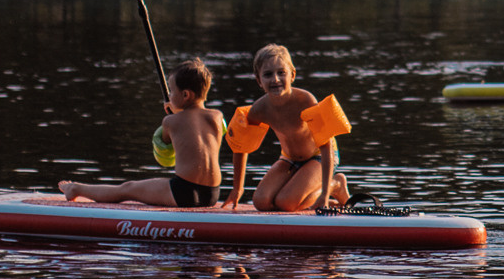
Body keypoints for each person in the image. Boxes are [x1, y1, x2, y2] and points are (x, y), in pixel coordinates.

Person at [60, 58, 229, 208]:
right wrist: (179, 112)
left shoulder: (170, 121)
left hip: (182, 192)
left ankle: (75, 188)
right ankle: (76, 188)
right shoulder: (217, 117)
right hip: (212, 193)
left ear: (185, 94)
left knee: (128, 188)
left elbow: (163, 155)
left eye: (171, 91)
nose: (169, 96)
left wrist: (174, 114)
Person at [229, 44, 351, 212]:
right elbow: (241, 146)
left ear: (292, 75)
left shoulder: (306, 101)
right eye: (268, 74)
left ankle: (335, 184)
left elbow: (326, 145)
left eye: (281, 73)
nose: (275, 80)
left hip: (319, 157)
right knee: (261, 202)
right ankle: (314, 197)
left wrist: (324, 194)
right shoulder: (259, 109)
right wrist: (237, 189)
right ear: (259, 80)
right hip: (289, 158)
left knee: (285, 203)